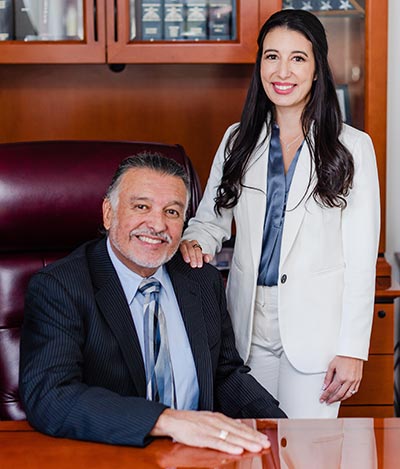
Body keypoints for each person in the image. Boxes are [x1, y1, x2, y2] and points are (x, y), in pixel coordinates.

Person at [180, 9, 380, 418]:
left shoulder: (352, 147)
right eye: (272, 57)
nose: (282, 71)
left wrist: (352, 349)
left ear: (317, 68)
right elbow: (210, 220)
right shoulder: (238, 139)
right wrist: (195, 241)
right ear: (260, 65)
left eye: (298, 58)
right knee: (251, 449)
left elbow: (361, 261)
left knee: (308, 453)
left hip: (316, 333)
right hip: (247, 325)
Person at [19, 152, 286, 454]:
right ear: (109, 213)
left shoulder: (201, 280)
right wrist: (166, 421)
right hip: (110, 453)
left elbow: (223, 375)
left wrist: (284, 431)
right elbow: (50, 396)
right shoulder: (61, 287)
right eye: (141, 206)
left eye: (172, 212)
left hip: (199, 456)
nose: (157, 225)